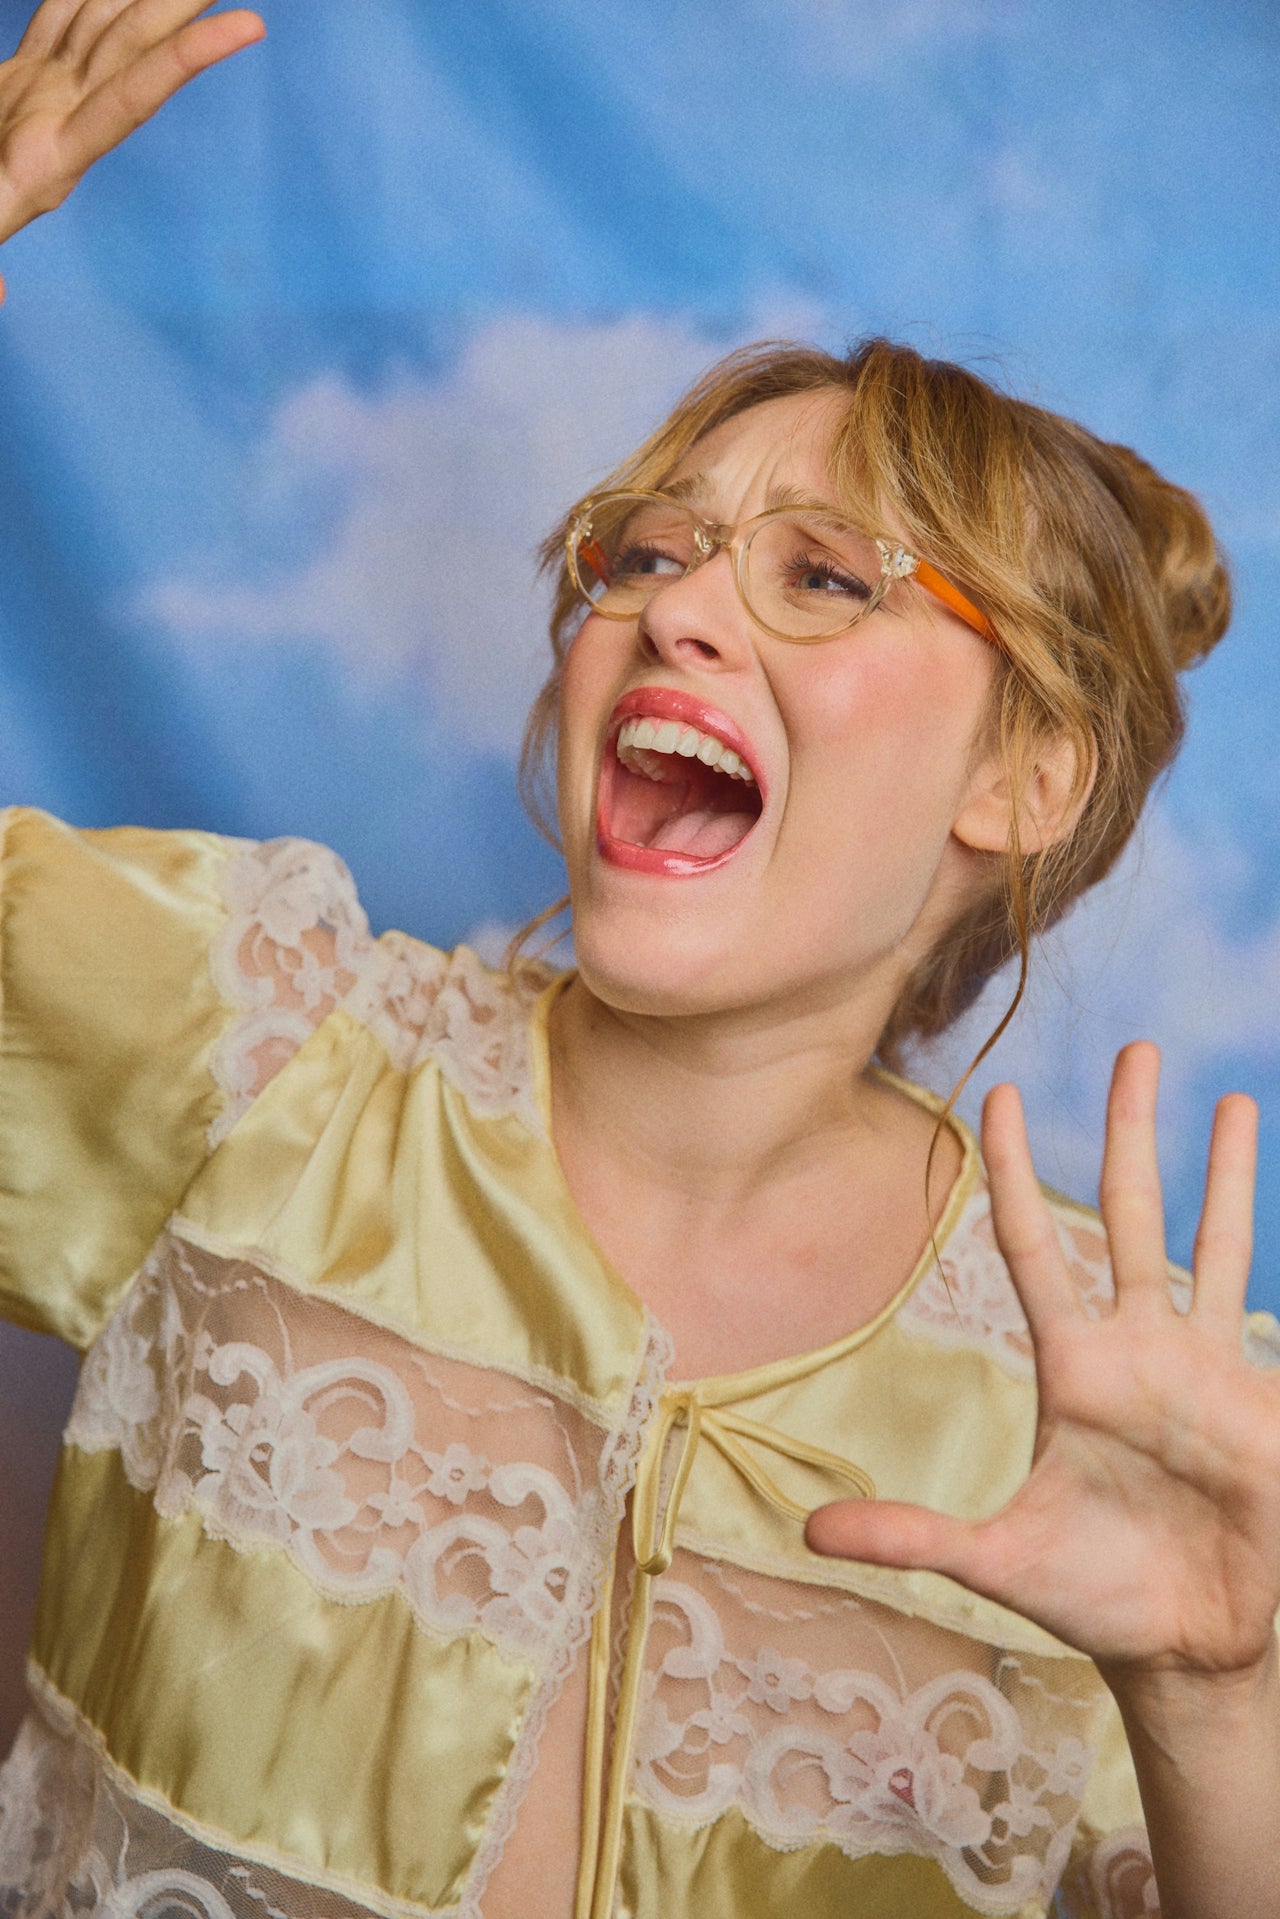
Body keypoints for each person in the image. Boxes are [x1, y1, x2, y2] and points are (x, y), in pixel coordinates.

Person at [0, 7, 1277, 1918]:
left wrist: (1213, 1707)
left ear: (1024, 774)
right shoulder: (251, 1043)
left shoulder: (1141, 1411)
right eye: (648, 553)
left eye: (824, 575)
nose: (674, 605)